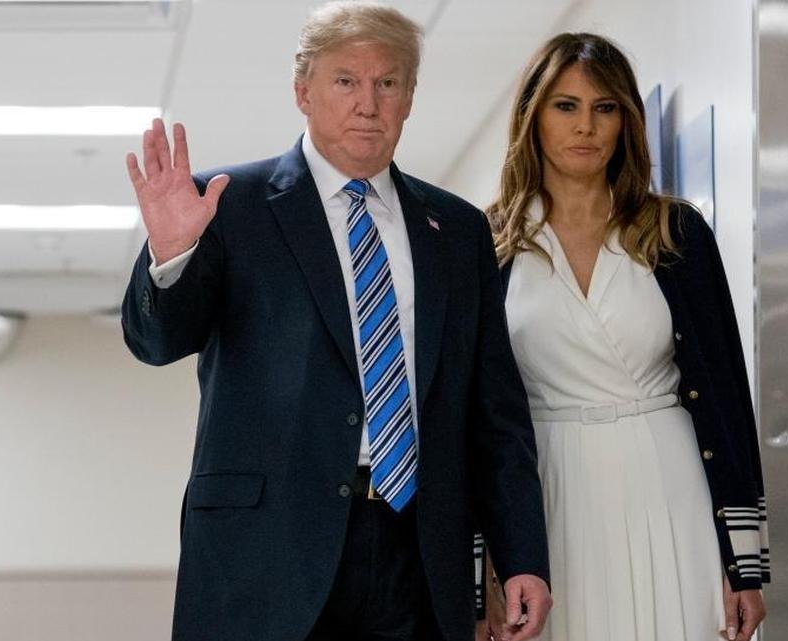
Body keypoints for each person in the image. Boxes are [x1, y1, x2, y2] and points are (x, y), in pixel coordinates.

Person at [121, 3, 551, 640]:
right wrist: (171, 255)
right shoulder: (228, 206)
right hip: (269, 551)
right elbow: (156, 342)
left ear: (409, 97)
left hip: (419, 549)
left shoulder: (457, 231)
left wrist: (523, 557)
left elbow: (495, 411)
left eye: (388, 83)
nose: (368, 104)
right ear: (304, 92)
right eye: (346, 81)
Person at [482, 32, 769, 641]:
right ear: (533, 117)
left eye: (604, 108)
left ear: (626, 121)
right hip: (550, 495)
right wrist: (483, 567)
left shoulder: (675, 231)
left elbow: (725, 399)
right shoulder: (486, 243)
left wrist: (745, 566)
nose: (586, 126)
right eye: (566, 106)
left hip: (671, 482)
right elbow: (474, 416)